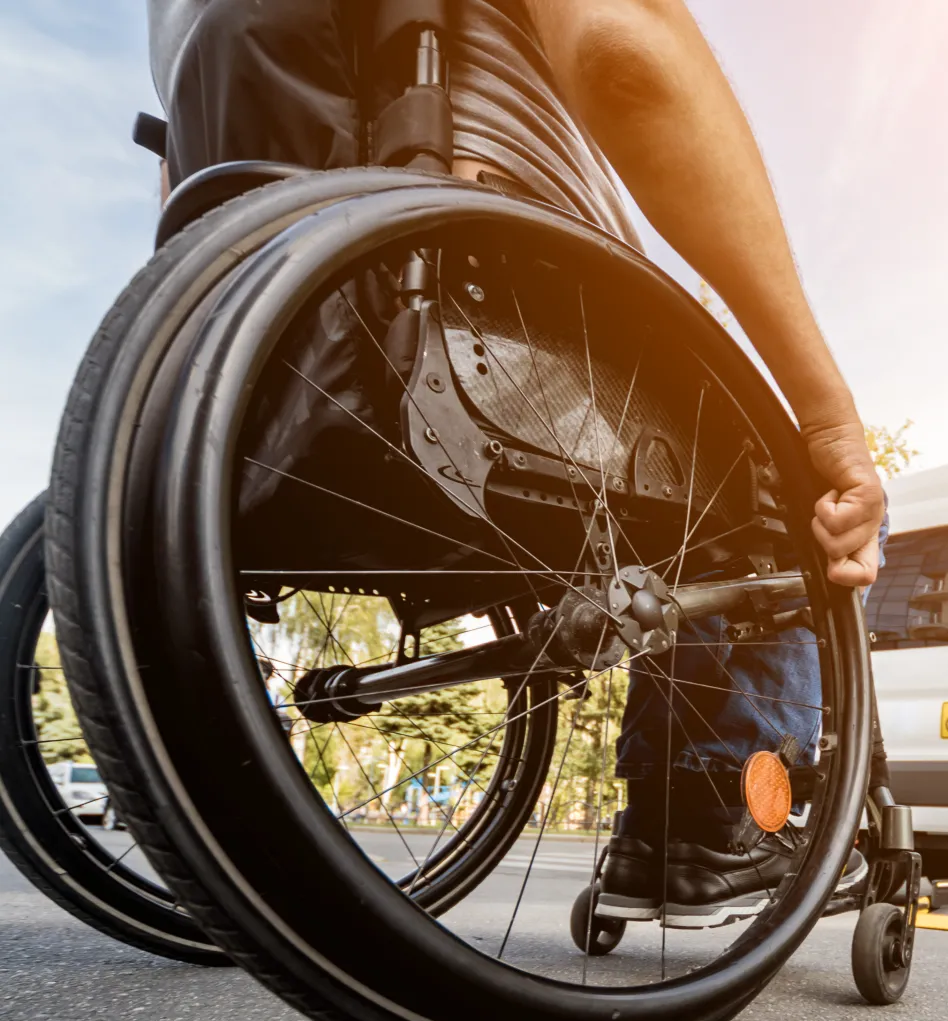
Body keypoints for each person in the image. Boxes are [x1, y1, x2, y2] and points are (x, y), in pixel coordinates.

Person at [149, 0, 884, 927]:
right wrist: (825, 415)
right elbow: (623, 52)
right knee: (784, 492)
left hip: (276, 354)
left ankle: (675, 825)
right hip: (479, 303)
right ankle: (706, 830)